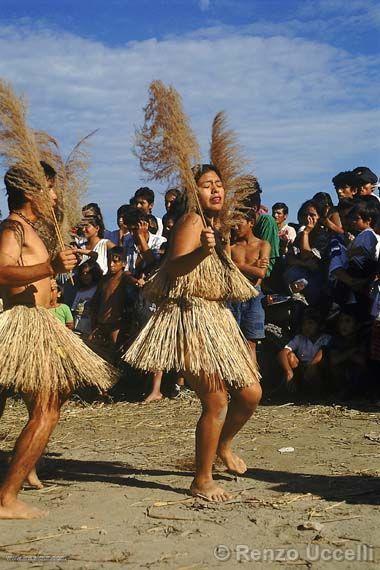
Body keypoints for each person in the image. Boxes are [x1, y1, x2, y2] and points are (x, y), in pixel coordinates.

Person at [124, 164, 262, 501]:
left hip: (217, 318)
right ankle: (202, 479)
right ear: (192, 193)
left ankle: (224, 445)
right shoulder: (192, 222)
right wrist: (203, 250)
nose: (216, 190)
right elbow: (173, 266)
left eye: (219, 184)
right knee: (215, 401)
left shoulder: (216, 225)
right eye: (206, 185)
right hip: (191, 317)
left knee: (250, 394)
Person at [0, 164, 115, 519]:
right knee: (47, 411)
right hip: (20, 324)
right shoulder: (13, 228)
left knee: (52, 401)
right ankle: (7, 498)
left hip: (38, 324)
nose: (54, 195)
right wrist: (48, 267)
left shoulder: (30, 229)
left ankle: (25, 465)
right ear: (30, 191)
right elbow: (1, 270)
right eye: (49, 189)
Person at [230, 210, 270, 361]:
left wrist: (237, 265)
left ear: (250, 223)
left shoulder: (262, 245)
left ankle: (253, 381)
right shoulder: (231, 246)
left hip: (254, 295)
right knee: (233, 342)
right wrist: (252, 267)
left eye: (238, 222)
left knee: (250, 343)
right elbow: (227, 268)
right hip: (234, 295)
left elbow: (261, 273)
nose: (235, 226)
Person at [277, 311, 331, 393]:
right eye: (304, 324)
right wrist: (289, 372)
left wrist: (311, 367)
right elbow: (283, 353)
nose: (306, 327)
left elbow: (321, 353)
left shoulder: (326, 338)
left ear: (319, 326)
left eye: (310, 323)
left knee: (318, 365)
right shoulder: (299, 338)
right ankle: (297, 389)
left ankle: (320, 392)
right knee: (290, 356)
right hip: (303, 371)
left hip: (318, 372)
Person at [89, 247, 128, 349]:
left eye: (115, 262)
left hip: (115, 325)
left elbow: (131, 278)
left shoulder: (124, 277)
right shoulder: (104, 280)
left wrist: (137, 281)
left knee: (115, 351)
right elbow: (96, 300)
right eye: (109, 261)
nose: (111, 264)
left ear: (124, 263)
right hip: (101, 323)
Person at [70, 261, 103, 335]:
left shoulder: (97, 290)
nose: (85, 276)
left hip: (91, 330)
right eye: (83, 274)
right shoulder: (79, 291)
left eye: (88, 273)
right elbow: (74, 310)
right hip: (78, 330)